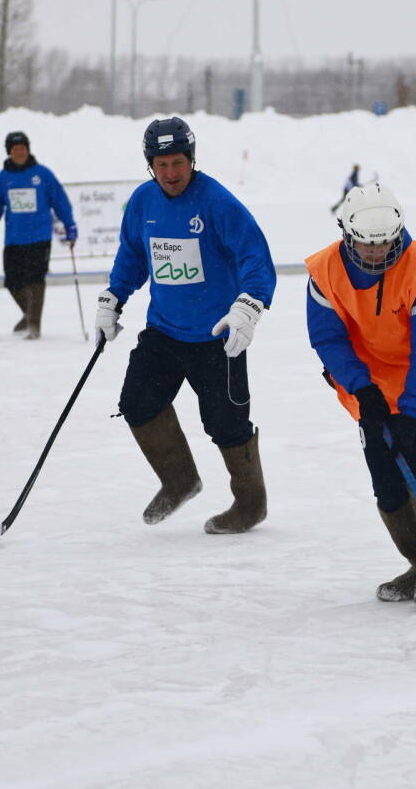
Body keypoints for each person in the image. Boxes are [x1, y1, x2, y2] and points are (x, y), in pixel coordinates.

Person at [94, 117, 276, 535]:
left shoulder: (218, 203)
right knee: (137, 402)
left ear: (191, 160)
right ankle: (179, 481)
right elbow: (134, 255)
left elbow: (256, 259)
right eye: (161, 165)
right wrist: (113, 297)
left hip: (217, 335)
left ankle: (250, 503)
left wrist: (248, 307)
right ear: (150, 166)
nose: (171, 173)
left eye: (178, 163)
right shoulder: (143, 202)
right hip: (164, 331)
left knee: (226, 425)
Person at [305, 184, 416, 612]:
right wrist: (364, 391)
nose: (378, 253)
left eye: (386, 243)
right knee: (386, 483)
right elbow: (328, 339)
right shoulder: (324, 271)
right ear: (347, 235)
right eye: (367, 245)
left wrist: (412, 413)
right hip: (369, 381)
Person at [0, 131, 77, 340]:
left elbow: (59, 200)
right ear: (9, 153)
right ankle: (28, 313)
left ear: (28, 150)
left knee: (35, 280)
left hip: (39, 238)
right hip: (14, 239)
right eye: (15, 150)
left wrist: (70, 225)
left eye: (23, 148)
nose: (19, 152)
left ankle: (34, 324)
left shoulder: (42, 174)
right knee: (13, 283)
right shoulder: (3, 178)